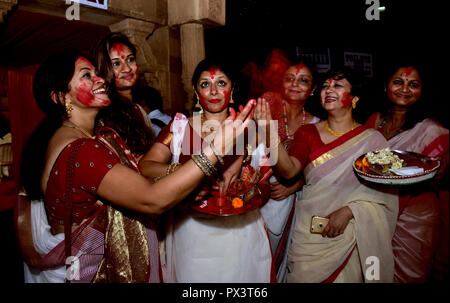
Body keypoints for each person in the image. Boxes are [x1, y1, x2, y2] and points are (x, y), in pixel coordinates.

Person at [15, 49, 255, 283]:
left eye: (97, 73)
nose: (101, 79)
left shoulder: (92, 137)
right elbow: (152, 199)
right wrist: (214, 151)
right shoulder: (80, 150)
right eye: (86, 75)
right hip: (94, 272)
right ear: (60, 97)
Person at [255, 68, 399, 282]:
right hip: (309, 241)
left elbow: (385, 197)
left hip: (351, 239)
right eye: (325, 86)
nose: (328, 89)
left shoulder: (373, 140)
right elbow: (289, 170)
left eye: (337, 85)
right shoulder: (308, 132)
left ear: (355, 98)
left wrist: (351, 211)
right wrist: (268, 131)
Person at [139, 58, 274, 283]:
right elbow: (145, 167)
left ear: (232, 89)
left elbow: (266, 187)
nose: (213, 91)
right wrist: (185, 173)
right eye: (205, 84)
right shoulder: (179, 128)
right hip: (191, 234)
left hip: (240, 235)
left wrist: (245, 189)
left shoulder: (250, 129)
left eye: (221, 83)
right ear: (195, 90)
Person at [365, 62, 449, 282]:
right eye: (398, 82)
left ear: (422, 91)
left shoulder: (431, 129)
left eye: (413, 84)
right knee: (373, 272)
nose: (404, 89)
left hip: (415, 217)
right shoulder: (374, 121)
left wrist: (444, 169)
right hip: (373, 210)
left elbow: (444, 172)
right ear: (386, 86)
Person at [258, 57, 320, 282]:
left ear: (312, 90)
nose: (295, 84)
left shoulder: (318, 125)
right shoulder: (265, 112)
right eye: (289, 79)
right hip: (257, 200)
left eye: (303, 80)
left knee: (282, 263)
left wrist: (294, 185)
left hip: (296, 203)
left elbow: (320, 169)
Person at [91, 32, 155, 159]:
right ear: (103, 69)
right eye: (116, 63)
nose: (127, 69)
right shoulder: (102, 117)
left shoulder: (138, 110)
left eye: (130, 59)